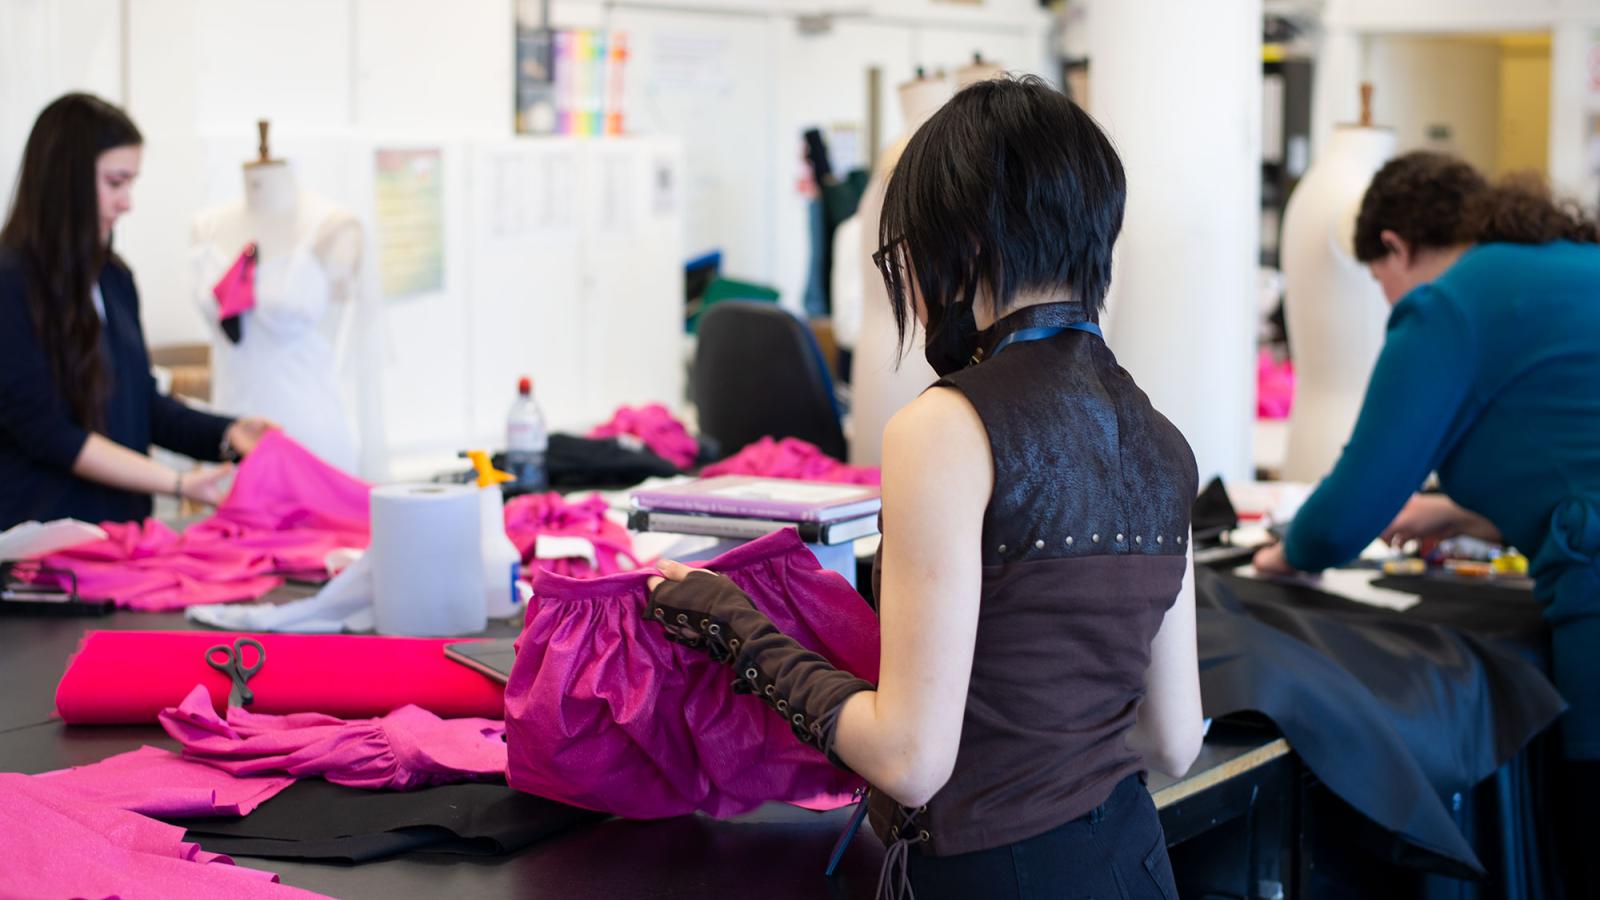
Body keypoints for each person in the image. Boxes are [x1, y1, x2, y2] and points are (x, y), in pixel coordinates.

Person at [647, 76, 1203, 899]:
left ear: (964, 241)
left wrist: (734, 626)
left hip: (998, 877)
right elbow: (1173, 743)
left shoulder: (945, 429)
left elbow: (909, 758)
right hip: (1132, 862)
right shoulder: (1163, 441)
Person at [1252, 151, 1600, 889]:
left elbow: (1350, 508)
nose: (1386, 301)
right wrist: (1464, 513)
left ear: (1395, 249)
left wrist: (1287, 551)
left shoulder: (1449, 303)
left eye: (1379, 282)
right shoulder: (1565, 266)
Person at [0, 93, 273, 530]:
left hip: (122, 538)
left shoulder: (113, 279)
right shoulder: (10, 283)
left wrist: (227, 434)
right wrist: (179, 483)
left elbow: (142, 405)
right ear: (64, 180)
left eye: (131, 183)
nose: (127, 202)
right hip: (46, 553)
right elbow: (48, 434)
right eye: (115, 182)